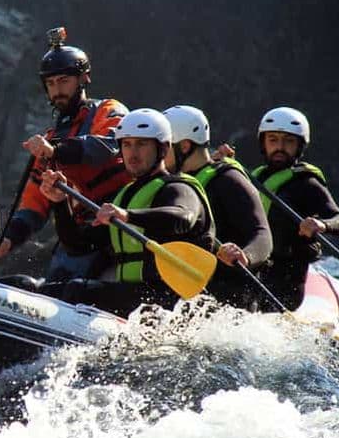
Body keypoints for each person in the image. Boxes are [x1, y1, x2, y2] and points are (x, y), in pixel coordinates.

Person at [37, 108, 215, 318]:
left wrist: (128, 216)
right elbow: (78, 245)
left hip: (169, 299)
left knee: (76, 289)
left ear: (163, 149)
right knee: (43, 290)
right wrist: (60, 202)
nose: (133, 152)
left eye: (142, 144)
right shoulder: (127, 195)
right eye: (127, 144)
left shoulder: (178, 188)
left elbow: (182, 217)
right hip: (133, 297)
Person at [0, 27, 131, 281]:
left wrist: (56, 151)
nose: (57, 90)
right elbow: (34, 202)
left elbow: (107, 146)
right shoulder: (51, 137)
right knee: (52, 280)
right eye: (51, 84)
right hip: (78, 235)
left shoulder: (108, 110)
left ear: (83, 79)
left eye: (64, 81)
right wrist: (10, 237)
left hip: (118, 225)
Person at [162, 105, 272, 309]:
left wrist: (245, 255)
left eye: (164, 148)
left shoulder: (229, 179)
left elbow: (262, 235)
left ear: (184, 146)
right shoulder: (174, 185)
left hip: (231, 297)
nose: (159, 154)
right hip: (190, 292)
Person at [250, 107, 339, 310]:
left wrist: (322, 224)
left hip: (286, 278)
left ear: (299, 146)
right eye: (273, 140)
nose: (280, 147)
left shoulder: (307, 184)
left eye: (288, 141)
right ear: (263, 143)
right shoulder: (255, 177)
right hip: (255, 269)